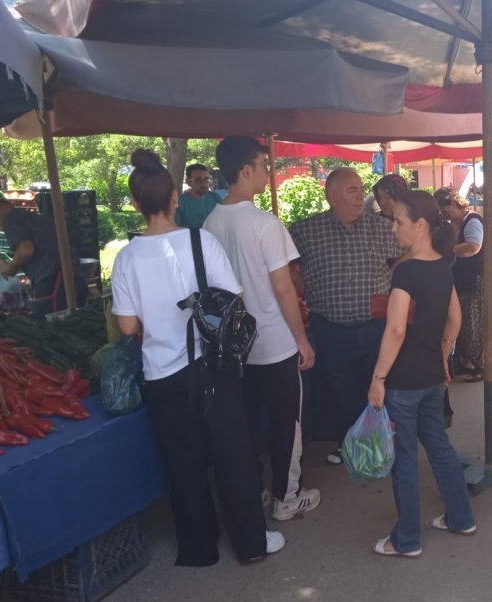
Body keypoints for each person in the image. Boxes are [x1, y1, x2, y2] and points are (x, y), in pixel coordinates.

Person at [111, 149, 283, 566]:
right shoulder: (200, 241)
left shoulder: (126, 258)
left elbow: (128, 327)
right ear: (175, 198)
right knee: (233, 455)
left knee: (182, 461)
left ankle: (199, 547)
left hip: (162, 374)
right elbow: (234, 297)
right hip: (213, 366)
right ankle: (251, 544)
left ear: (135, 204)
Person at [203, 136, 321, 521]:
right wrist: (301, 339)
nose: (268, 173)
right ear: (245, 170)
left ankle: (256, 492)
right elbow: (283, 287)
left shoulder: (210, 222)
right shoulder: (264, 224)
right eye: (263, 165)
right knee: (288, 421)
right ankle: (288, 495)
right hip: (274, 341)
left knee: (249, 423)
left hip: (233, 346)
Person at [367, 190, 475, 557]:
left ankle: (407, 539)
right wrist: (443, 356)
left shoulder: (407, 271)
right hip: (432, 376)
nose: (394, 228)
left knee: (406, 461)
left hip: (402, 382)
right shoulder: (443, 266)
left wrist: (378, 378)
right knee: (440, 448)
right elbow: (454, 320)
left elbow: (395, 330)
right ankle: (461, 517)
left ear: (421, 225)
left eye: (398, 221)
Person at [289, 167, 402, 465]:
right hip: (333, 329)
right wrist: (301, 286)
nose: (360, 196)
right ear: (332, 197)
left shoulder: (380, 227)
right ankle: (350, 444)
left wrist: (392, 274)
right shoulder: (305, 231)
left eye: (359, 189)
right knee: (342, 390)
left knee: (380, 386)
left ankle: (381, 444)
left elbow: (411, 249)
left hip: (377, 326)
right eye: (352, 190)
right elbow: (284, 266)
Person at [0, 199, 87, 317]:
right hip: (72, 272)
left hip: (53, 279)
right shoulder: (35, 218)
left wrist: (11, 270)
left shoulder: (11, 221)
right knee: (75, 319)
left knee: (50, 322)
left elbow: (26, 251)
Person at [435, 187, 484, 381]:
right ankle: (465, 362)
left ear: (455, 204)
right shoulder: (455, 222)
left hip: (471, 279)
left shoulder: (472, 220)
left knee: (470, 324)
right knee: (460, 322)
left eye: (446, 211)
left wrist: (448, 252)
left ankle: (476, 365)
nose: (445, 215)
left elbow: (473, 246)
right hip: (459, 279)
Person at [174, 163, 221, 228]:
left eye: (206, 179)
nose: (203, 183)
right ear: (189, 182)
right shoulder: (181, 203)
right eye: (198, 180)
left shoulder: (215, 198)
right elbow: (177, 228)